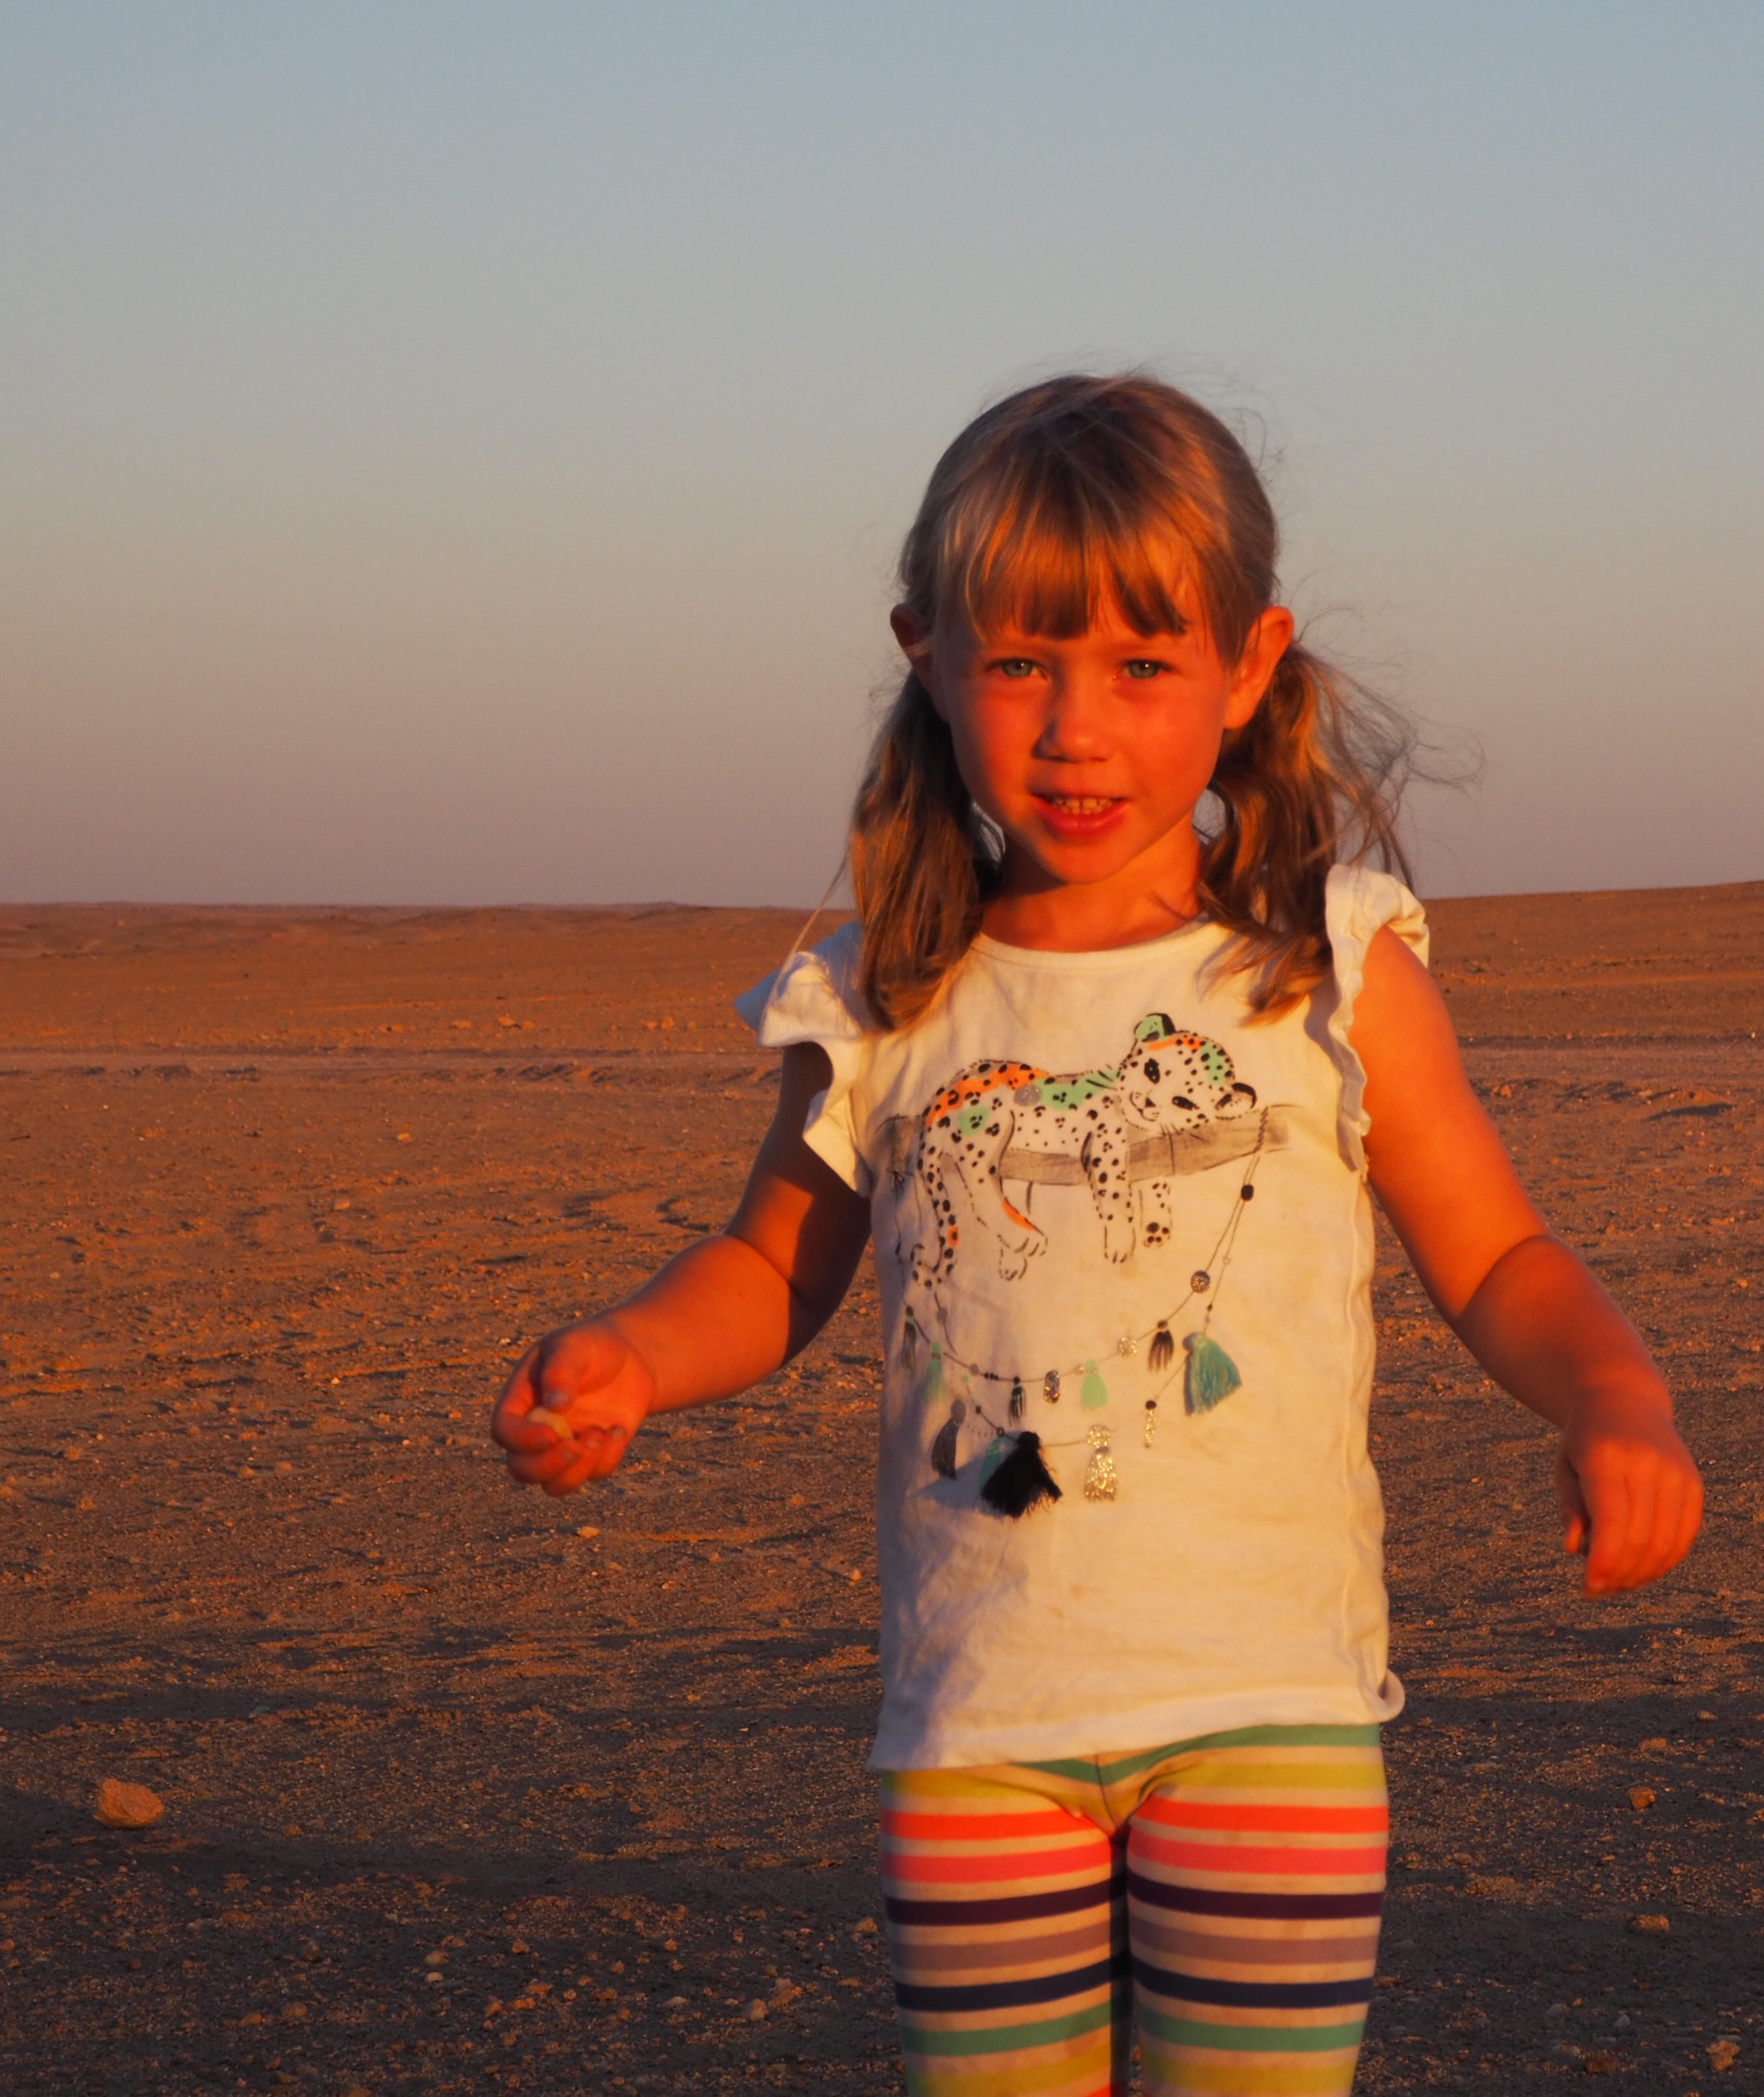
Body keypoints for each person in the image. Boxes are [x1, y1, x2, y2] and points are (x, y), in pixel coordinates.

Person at [492, 373, 1703, 2095]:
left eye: (1141, 668)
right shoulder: (890, 998)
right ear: (927, 654)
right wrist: (628, 1357)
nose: (1078, 730)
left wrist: (1617, 1401)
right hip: (982, 1731)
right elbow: (771, 1270)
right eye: (1022, 666)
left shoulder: (1325, 973)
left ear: (1248, 662)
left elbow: (1500, 1258)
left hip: (1268, 1722)